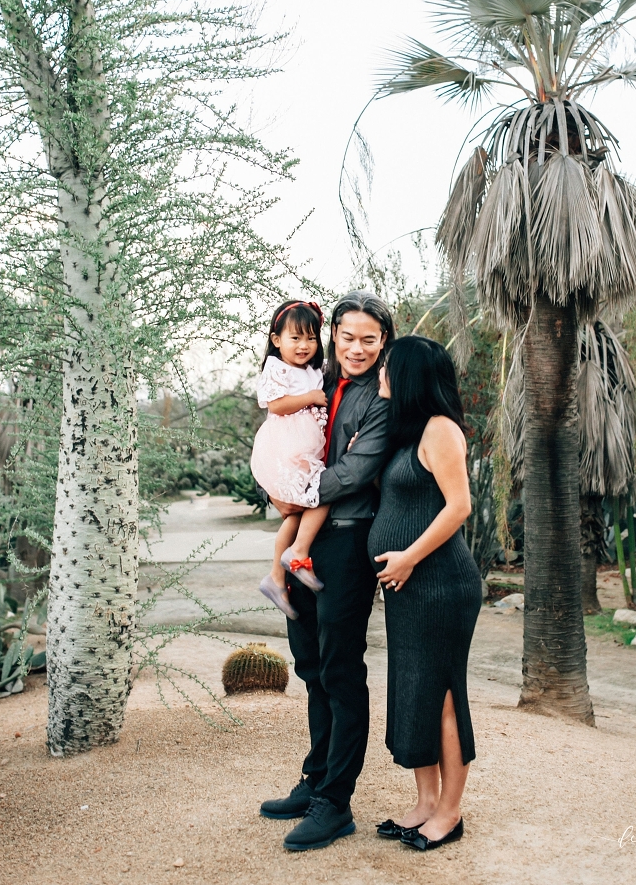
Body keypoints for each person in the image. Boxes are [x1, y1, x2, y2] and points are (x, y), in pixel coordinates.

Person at [259, 291, 396, 852]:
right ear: (333, 335)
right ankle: (315, 776)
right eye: (348, 337)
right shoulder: (311, 382)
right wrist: (277, 483)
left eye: (369, 338)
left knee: (340, 668)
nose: (357, 348)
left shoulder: (380, 398)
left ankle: (335, 802)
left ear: (383, 340)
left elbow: (355, 472)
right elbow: (280, 442)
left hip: (345, 541)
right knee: (311, 665)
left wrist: (299, 489)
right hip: (303, 538)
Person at [368, 335, 480, 851]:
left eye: (387, 365)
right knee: (414, 690)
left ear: (410, 374)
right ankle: (424, 804)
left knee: (442, 697)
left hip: (440, 585)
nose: (380, 371)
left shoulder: (441, 431)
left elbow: (459, 507)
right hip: (409, 589)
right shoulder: (409, 432)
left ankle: (450, 814)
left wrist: (409, 556)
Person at [252, 300, 332, 616]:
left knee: (295, 515)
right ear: (276, 340)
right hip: (288, 448)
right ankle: (297, 553)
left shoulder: (315, 370)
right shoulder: (277, 368)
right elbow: (275, 405)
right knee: (321, 494)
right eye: (295, 338)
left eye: (311, 338)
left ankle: (275, 575)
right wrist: (311, 398)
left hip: (305, 449)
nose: (304, 346)